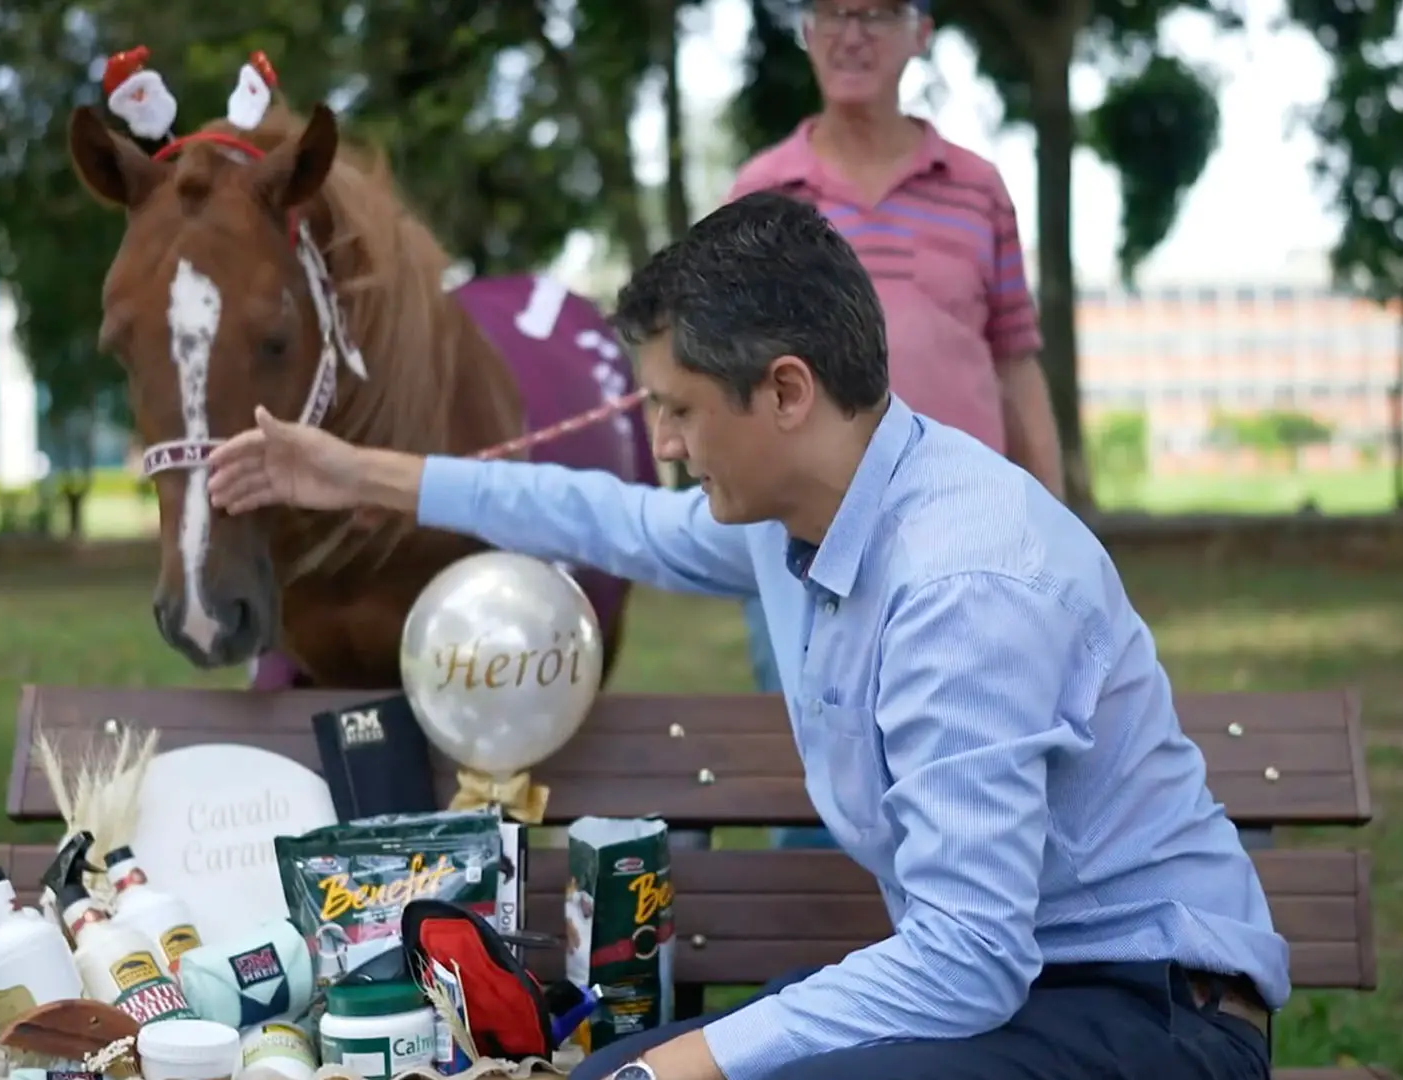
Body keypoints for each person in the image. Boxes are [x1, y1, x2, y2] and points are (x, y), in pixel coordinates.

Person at [205, 191, 1282, 1080]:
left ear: (785, 393)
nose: (664, 447)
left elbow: (968, 963)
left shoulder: (965, 583)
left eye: (677, 411)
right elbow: (604, 518)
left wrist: (680, 1068)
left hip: (1152, 1017)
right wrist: (358, 475)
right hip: (1020, 991)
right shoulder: (802, 511)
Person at [725, 0, 1065, 851]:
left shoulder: (978, 188)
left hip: (970, 548)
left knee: (978, 773)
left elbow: (1016, 361)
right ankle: (828, 978)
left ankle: (975, 959)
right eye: (830, 11)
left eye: (876, 12)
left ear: (921, 31)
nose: (851, 33)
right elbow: (729, 385)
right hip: (811, 553)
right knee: (828, 808)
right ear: (803, 30)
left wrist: (1055, 523)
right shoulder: (760, 193)